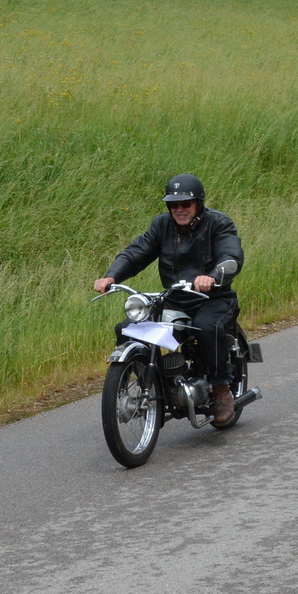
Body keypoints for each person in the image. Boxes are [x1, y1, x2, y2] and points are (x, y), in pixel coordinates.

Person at [94, 174, 245, 425]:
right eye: (174, 205)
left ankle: (220, 390)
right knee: (128, 329)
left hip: (213, 298)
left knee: (208, 328)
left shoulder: (218, 224)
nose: (179, 209)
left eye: (185, 204)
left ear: (198, 203)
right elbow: (137, 252)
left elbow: (231, 255)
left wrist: (213, 276)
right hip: (175, 301)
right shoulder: (161, 225)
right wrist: (111, 275)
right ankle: (154, 384)